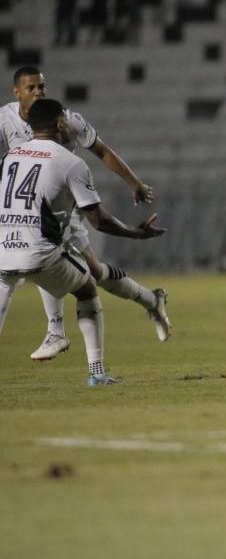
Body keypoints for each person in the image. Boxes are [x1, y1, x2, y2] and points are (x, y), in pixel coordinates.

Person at [0, 67, 171, 361]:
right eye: (32, 88)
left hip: (64, 200)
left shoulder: (67, 119)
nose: (39, 91)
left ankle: (56, 331)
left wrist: (135, 184)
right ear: (17, 92)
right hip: (28, 204)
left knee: (54, 258)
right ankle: (149, 299)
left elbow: (102, 151)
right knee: (92, 271)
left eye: (42, 86)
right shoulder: (5, 118)